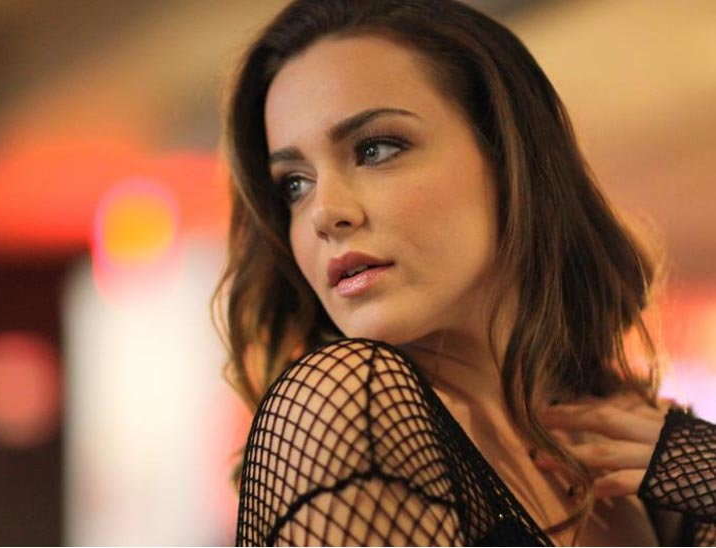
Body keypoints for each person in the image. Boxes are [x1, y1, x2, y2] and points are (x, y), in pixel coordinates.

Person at [212, 0, 716, 545]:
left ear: (509, 157)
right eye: (294, 184)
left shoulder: (633, 437)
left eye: (375, 149)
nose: (323, 213)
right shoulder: (349, 403)